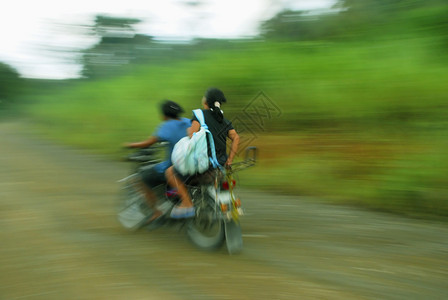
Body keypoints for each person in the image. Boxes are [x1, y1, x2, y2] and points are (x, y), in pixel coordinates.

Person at [166, 88, 240, 218]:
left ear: (205, 101)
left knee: (170, 172)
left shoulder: (199, 115)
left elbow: (192, 135)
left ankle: (187, 203)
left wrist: (190, 129)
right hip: (220, 168)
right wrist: (230, 159)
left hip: (204, 169)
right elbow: (236, 138)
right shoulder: (224, 120)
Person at [125, 100, 191, 223]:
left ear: (164, 115)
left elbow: (149, 142)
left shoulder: (166, 126)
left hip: (174, 167)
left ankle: (156, 212)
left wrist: (131, 145)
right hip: (192, 165)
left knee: (139, 179)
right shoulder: (188, 122)